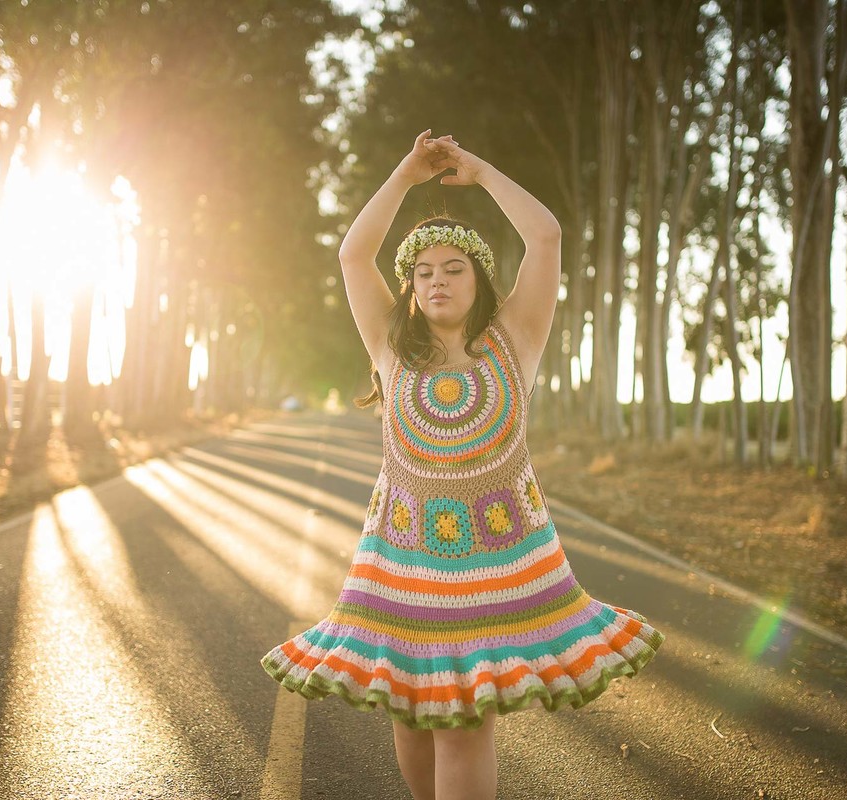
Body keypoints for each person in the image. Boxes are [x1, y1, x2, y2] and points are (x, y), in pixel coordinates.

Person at [260, 130, 666, 800]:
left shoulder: (516, 337)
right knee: (414, 718)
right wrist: (405, 174)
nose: (438, 281)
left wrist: (480, 171)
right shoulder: (390, 346)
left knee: (462, 725)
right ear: (410, 288)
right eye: (423, 273)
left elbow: (546, 236)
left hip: (494, 567)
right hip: (402, 564)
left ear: (478, 280)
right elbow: (353, 253)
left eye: (453, 269)